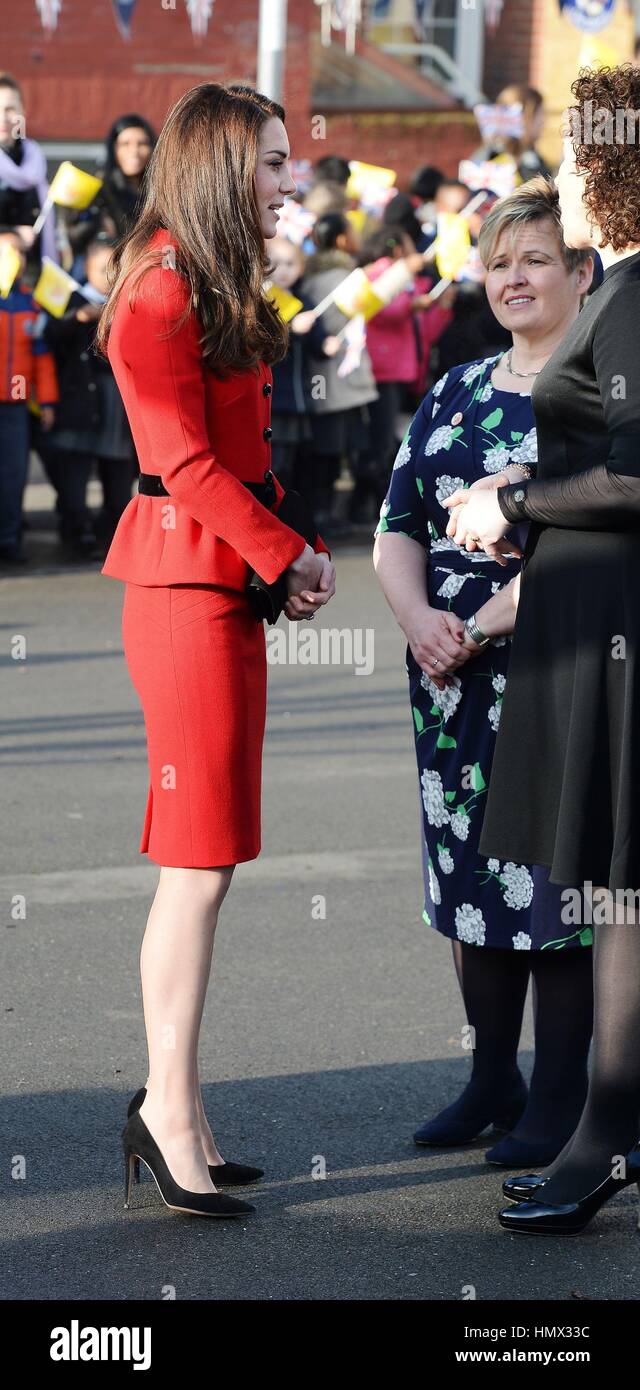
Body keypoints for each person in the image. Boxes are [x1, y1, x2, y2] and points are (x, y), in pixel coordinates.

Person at [95, 82, 336, 1219]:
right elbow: (184, 467)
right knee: (194, 866)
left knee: (210, 862)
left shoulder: (201, 280)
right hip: (182, 588)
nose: (288, 180)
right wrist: (281, 555)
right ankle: (168, 1115)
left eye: (288, 161)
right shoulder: (154, 290)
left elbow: (242, 457)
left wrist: (292, 543)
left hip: (216, 582)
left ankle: (176, 1105)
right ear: (221, 165)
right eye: (273, 162)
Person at [442, 65, 640, 1234]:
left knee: (621, 887)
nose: (560, 174)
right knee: (617, 889)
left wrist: (517, 496)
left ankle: (607, 1130)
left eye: (573, 156)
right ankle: (609, 1129)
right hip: (596, 620)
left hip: (615, 621)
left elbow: (630, 469)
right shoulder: (619, 285)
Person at [373, 177, 598, 1170]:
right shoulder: (455, 389)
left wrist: (482, 618)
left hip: (554, 671)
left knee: (553, 893)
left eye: (535, 259)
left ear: (581, 273)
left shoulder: (597, 396)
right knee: (468, 884)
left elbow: (593, 541)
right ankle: (490, 1077)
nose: (513, 277)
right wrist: (420, 618)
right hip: (449, 682)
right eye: (498, 261)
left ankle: (558, 1095)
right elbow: (395, 527)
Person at [40, 234, 136, 560]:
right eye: (101, 269)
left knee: (118, 475)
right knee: (74, 472)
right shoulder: (69, 298)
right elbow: (49, 337)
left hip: (117, 400)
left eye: (116, 269)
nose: (110, 277)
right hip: (78, 399)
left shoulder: (131, 299)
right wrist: (77, 318)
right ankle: (76, 530)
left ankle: (113, 535)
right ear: (86, 268)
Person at [301, 210, 378, 530]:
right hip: (340, 376)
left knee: (326, 447)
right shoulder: (346, 279)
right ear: (343, 239)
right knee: (335, 448)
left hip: (321, 378)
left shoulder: (309, 277)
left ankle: (323, 510)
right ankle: (327, 512)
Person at [0, 228, 58, 565]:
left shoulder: (32, 304)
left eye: (19, 252)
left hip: (17, 403)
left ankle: (9, 541)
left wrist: (46, 401)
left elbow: (41, 359)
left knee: (13, 475)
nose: (15, 259)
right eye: (7, 252)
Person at [63, 114, 156, 279]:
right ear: (113, 148)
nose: (134, 151)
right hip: (104, 275)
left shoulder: (159, 191)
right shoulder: (99, 189)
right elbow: (75, 237)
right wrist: (98, 223)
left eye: (141, 143)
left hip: (148, 269)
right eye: (125, 144)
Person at [0, 73, 58, 273]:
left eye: (10, 109)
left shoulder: (35, 160)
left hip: (34, 281)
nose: (3, 118)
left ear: (22, 111)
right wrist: (12, 234)